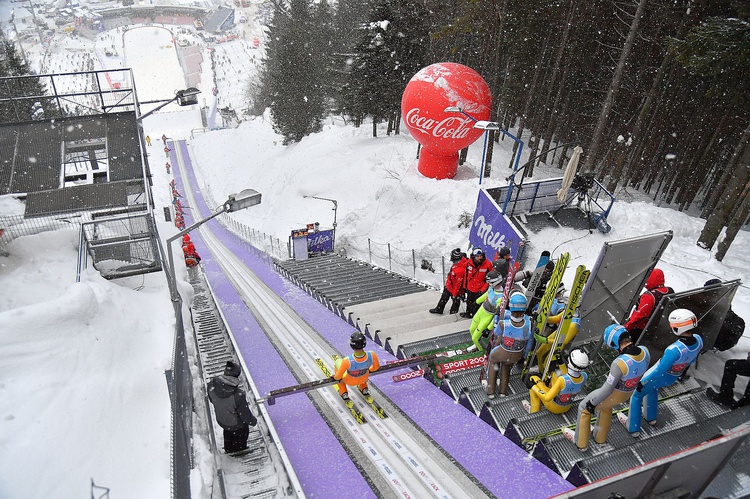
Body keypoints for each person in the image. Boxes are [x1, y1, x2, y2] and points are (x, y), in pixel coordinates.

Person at [563, 324, 650, 451]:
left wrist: (592, 403)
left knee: (584, 408)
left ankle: (580, 442)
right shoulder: (644, 351)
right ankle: (600, 438)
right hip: (628, 393)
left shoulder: (619, 363)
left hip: (613, 394)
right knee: (606, 407)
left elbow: (607, 389)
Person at [624, 309, 702, 436]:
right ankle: (651, 418)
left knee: (637, 395)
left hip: (659, 376)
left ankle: (633, 427)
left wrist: (642, 382)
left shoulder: (674, 350)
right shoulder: (699, 340)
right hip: (672, 377)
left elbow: (659, 370)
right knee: (653, 389)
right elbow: (691, 360)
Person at [486, 292, 533, 398]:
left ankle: (490, 391)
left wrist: (496, 319)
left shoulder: (503, 324)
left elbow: (496, 333)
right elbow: (529, 344)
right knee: (506, 367)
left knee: (493, 361)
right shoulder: (530, 323)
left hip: (502, 351)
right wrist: (524, 356)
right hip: (517, 354)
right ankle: (503, 392)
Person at [207, 361, 258, 454]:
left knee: (228, 430)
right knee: (242, 428)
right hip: (235, 425)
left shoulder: (211, 385)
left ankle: (228, 447)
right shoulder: (238, 395)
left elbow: (212, 400)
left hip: (222, 420)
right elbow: (245, 414)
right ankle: (239, 449)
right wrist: (253, 421)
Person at [525, 348, 589, 414]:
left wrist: (532, 386)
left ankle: (534, 409)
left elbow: (547, 398)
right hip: (567, 407)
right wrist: (561, 363)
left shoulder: (562, 380)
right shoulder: (584, 376)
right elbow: (571, 379)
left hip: (553, 407)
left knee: (533, 379)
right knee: (553, 375)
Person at [624, 268, 672, 343]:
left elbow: (640, 316)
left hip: (641, 330)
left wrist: (626, 327)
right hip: (658, 329)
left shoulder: (649, 296)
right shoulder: (669, 291)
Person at [333, 332, 380, 400]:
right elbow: (375, 367)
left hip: (350, 381)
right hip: (364, 378)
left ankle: (343, 392)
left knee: (337, 362)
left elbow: (338, 377)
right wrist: (368, 369)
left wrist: (335, 377)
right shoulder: (372, 354)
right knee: (362, 369)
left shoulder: (347, 360)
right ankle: (364, 387)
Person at [467, 271, 504, 352]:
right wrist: (477, 302)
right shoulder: (492, 288)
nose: (488, 284)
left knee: (475, 338)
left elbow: (497, 315)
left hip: (487, 316)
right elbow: (488, 293)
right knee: (472, 329)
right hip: (481, 310)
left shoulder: (501, 297)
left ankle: (481, 351)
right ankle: (477, 344)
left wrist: (489, 328)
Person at [704, 279, 745, 352]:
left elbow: (726, 312)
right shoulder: (704, 299)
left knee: (735, 324)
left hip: (719, 328)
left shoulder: (723, 299)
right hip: (710, 327)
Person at [429, 248, 468, 315]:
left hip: (456, 289)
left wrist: (454, 294)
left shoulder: (460, 270)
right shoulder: (459, 263)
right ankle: (439, 309)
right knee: (444, 297)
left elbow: (458, 284)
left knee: (455, 301)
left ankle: (453, 313)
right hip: (449, 285)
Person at [460, 247, 493, 318]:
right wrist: (464, 287)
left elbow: (489, 279)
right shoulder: (468, 263)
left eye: (481, 256)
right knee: (469, 302)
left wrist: (482, 290)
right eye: (477, 256)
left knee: (477, 305)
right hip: (470, 288)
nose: (479, 258)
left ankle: (476, 317)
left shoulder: (487, 264)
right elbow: (465, 275)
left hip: (480, 289)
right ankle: (468, 313)